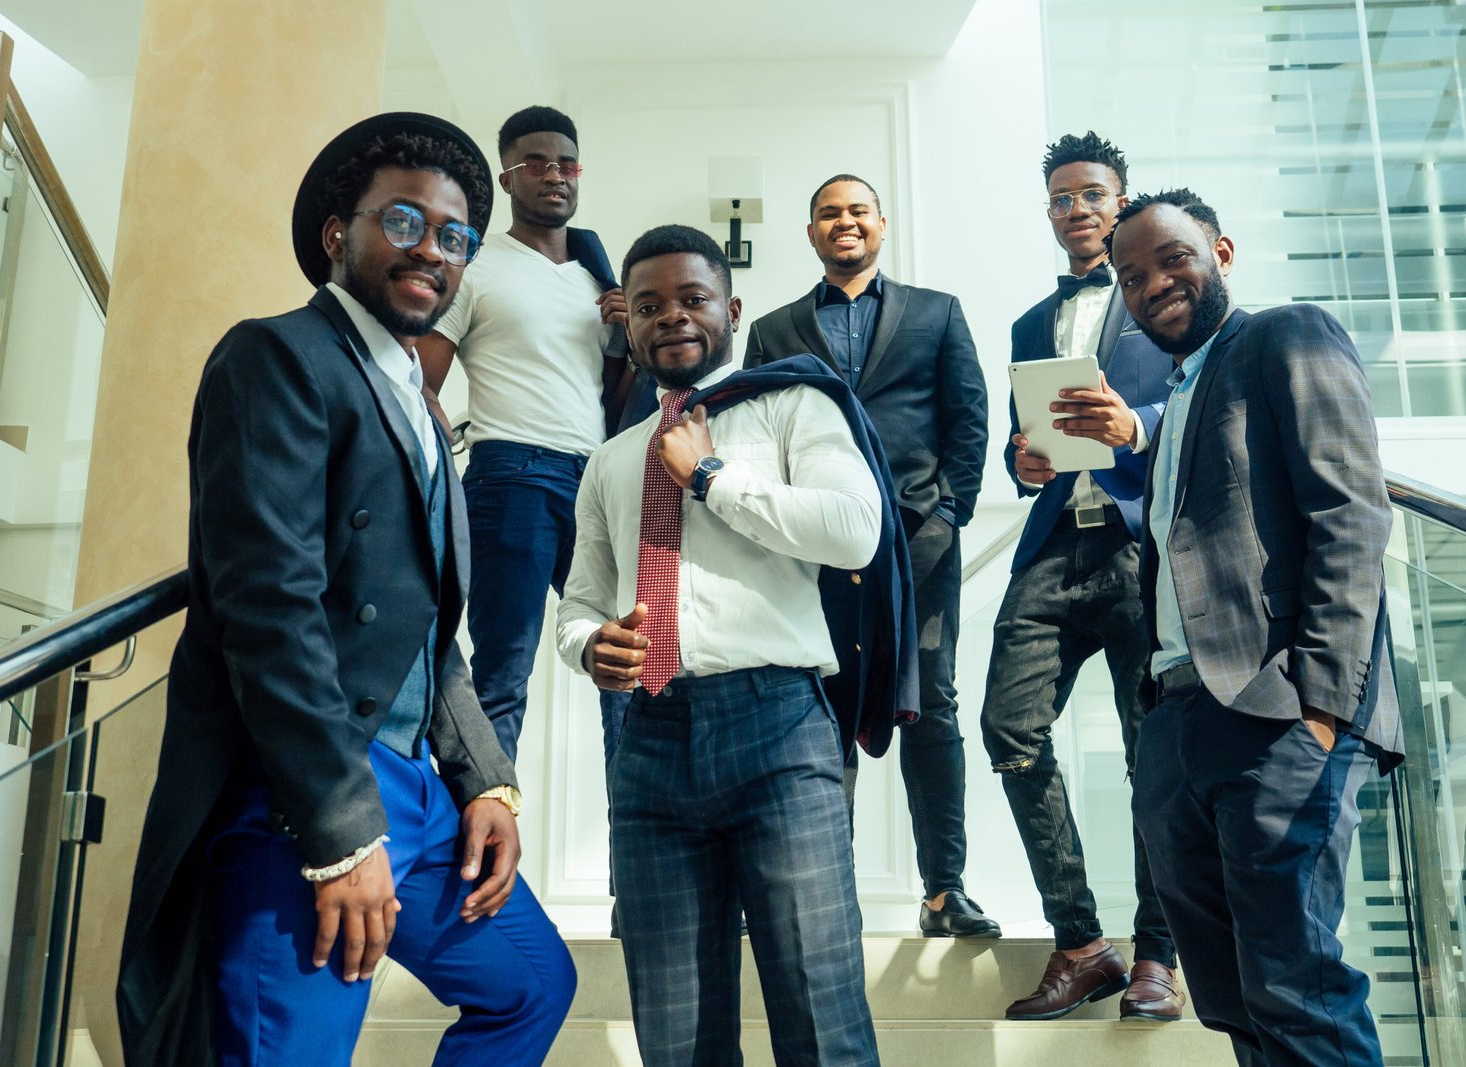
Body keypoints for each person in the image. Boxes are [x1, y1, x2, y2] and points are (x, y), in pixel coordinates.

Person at [116, 113, 575, 1067]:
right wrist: (339, 831)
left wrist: (485, 776)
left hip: (416, 784)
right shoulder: (276, 356)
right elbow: (269, 608)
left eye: (454, 237)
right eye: (403, 220)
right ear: (340, 234)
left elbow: (429, 632)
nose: (432, 251)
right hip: (307, 786)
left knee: (533, 983)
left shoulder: (422, 395)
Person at [558, 224, 896, 1065]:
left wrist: (712, 478)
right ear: (627, 327)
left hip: (778, 729)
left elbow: (856, 532)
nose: (671, 317)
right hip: (650, 744)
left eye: (692, 298)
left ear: (732, 310)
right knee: (676, 1036)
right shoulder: (608, 461)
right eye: (647, 306)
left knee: (821, 1015)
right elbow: (580, 601)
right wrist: (586, 645)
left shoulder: (795, 406)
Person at [1111, 188, 1404, 1066]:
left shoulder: (1286, 335)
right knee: (1233, 996)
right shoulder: (1174, 404)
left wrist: (1322, 706)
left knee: (1297, 987)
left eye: (1172, 258)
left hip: (1277, 714)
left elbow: (1350, 514)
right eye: (1131, 276)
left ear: (1223, 252)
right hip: (1177, 725)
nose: (1153, 283)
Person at [743, 173, 996, 940]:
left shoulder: (936, 313)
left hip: (918, 542)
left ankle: (944, 890)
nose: (844, 222)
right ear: (811, 231)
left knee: (933, 705)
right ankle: (825, 895)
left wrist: (950, 513)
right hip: (816, 545)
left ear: (880, 225)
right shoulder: (775, 329)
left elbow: (969, 416)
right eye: (828, 213)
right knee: (821, 708)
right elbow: (758, 431)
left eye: (857, 210)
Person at [984, 133, 1183, 1023]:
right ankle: (1081, 942)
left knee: (1153, 752)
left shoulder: (1165, 300)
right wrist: (1019, 458)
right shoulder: (1031, 321)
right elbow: (1016, 431)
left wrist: (1132, 420)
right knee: (1008, 724)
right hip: (1058, 539)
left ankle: (1158, 954)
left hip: (1142, 547)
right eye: (1062, 197)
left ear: (1122, 198)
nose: (1078, 210)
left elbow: (1198, 398)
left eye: (1092, 194)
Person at [419, 105, 629, 761]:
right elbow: (420, 381)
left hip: (595, 484)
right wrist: (438, 456)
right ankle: (479, 849)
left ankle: (640, 861)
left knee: (626, 672)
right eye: (534, 163)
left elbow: (615, 405)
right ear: (507, 178)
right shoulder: (476, 267)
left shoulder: (598, 278)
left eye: (565, 163)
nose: (554, 175)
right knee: (503, 676)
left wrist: (625, 340)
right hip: (510, 478)